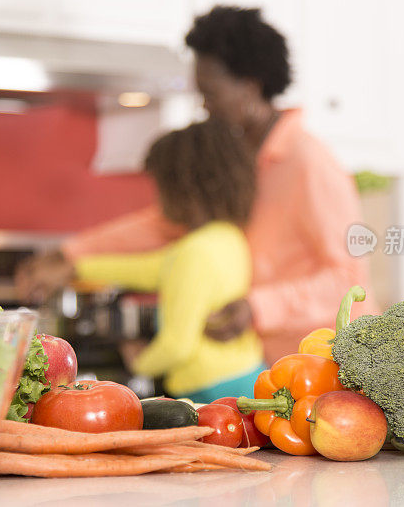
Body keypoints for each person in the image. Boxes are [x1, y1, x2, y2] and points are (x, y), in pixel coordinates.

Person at [17, 6, 377, 364]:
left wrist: (257, 307)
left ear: (250, 88)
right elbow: (168, 221)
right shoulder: (238, 159)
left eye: (211, 93)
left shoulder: (310, 163)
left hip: (336, 367)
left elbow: (346, 280)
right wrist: (71, 253)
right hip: (277, 366)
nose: (204, 106)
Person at [62, 120, 264, 402]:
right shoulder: (228, 237)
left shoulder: (194, 252)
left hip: (213, 388)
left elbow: (177, 346)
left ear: (182, 190)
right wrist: (75, 268)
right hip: (246, 375)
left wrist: (138, 362)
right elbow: (151, 269)